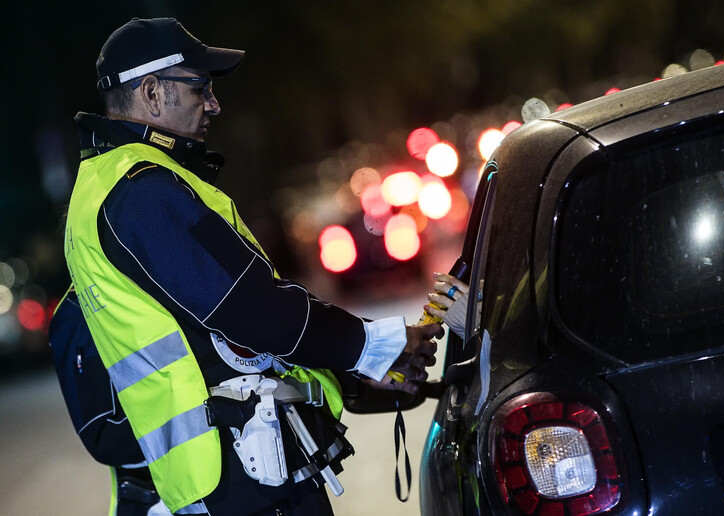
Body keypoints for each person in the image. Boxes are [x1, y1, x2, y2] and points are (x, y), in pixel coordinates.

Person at [58, 17, 442, 516]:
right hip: (240, 480)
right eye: (199, 88)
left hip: (224, 475)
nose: (214, 103)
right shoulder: (142, 191)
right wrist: (372, 346)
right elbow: (252, 311)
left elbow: (222, 342)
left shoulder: (107, 187)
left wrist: (352, 374)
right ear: (151, 93)